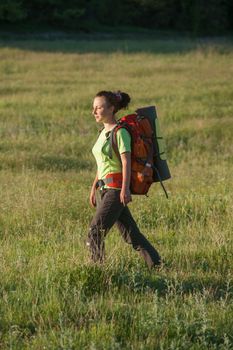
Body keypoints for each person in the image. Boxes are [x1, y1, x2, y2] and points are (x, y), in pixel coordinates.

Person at [86, 90, 161, 269]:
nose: (94, 111)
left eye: (99, 107)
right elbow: (102, 163)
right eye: (93, 108)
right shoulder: (102, 133)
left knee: (95, 232)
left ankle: (98, 270)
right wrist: (93, 188)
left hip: (116, 190)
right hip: (104, 189)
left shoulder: (120, 133)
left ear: (112, 109)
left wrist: (125, 189)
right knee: (131, 234)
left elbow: (126, 162)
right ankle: (156, 264)